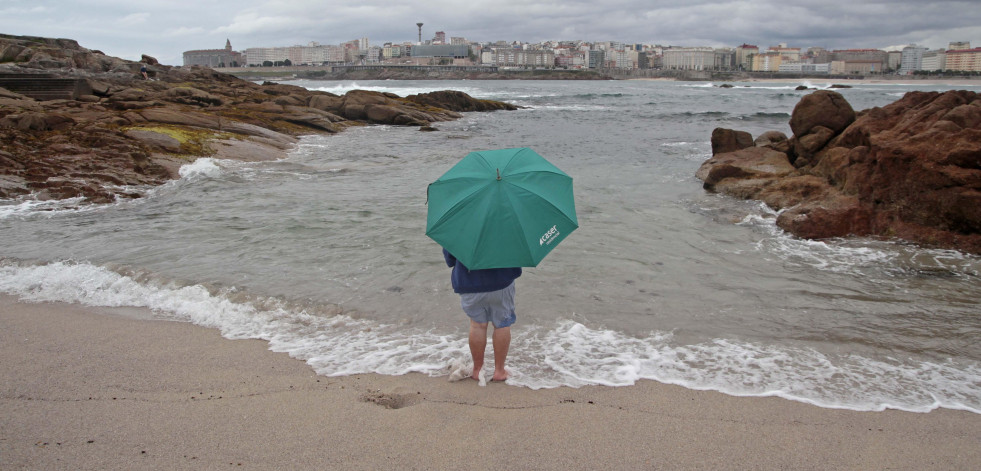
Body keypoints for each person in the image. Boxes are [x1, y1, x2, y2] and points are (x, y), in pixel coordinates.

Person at [443, 248, 521, 382]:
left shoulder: (460, 227)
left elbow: (450, 257)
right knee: (502, 324)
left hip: (469, 282)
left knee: (477, 325)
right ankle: (499, 371)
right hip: (501, 280)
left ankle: (477, 370)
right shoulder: (508, 227)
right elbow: (518, 253)